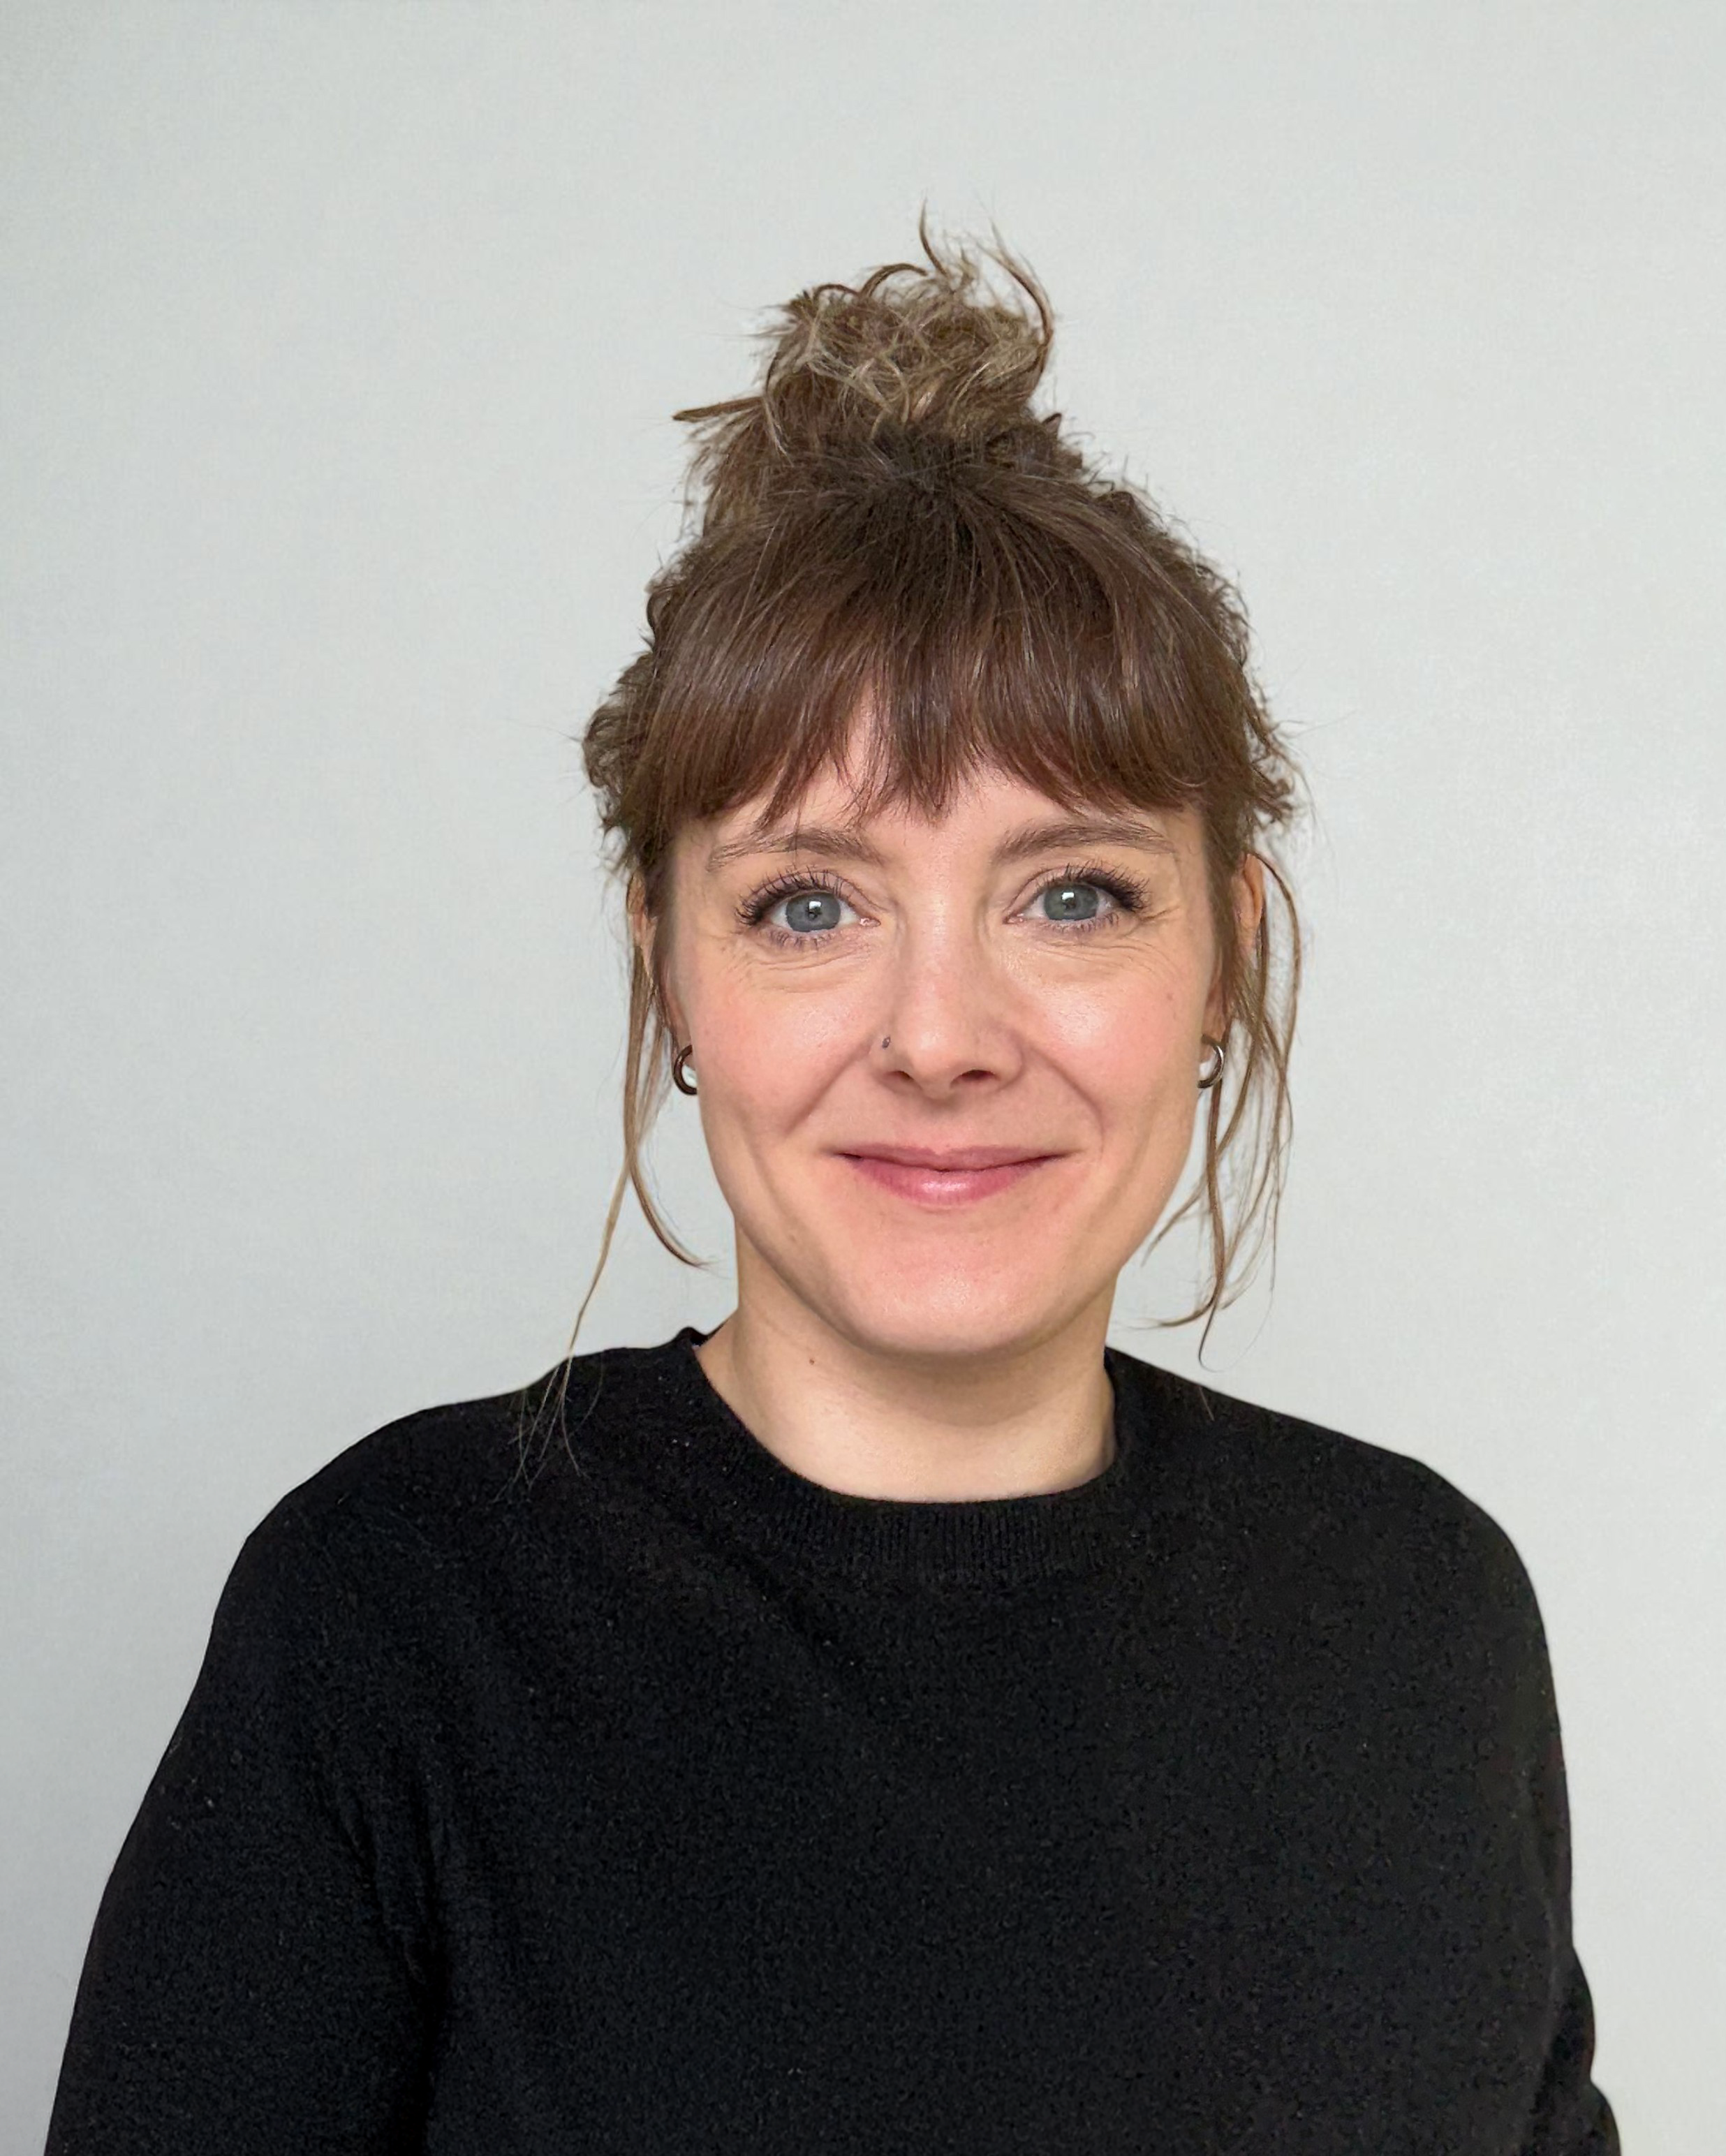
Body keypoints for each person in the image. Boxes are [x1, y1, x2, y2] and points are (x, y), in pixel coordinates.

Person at [46, 226, 1617, 2154]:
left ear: (1224, 953)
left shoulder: (1421, 1620)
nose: (940, 1034)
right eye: (810, 903)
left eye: (1073, 895)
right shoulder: (394, 1623)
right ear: (671, 970)